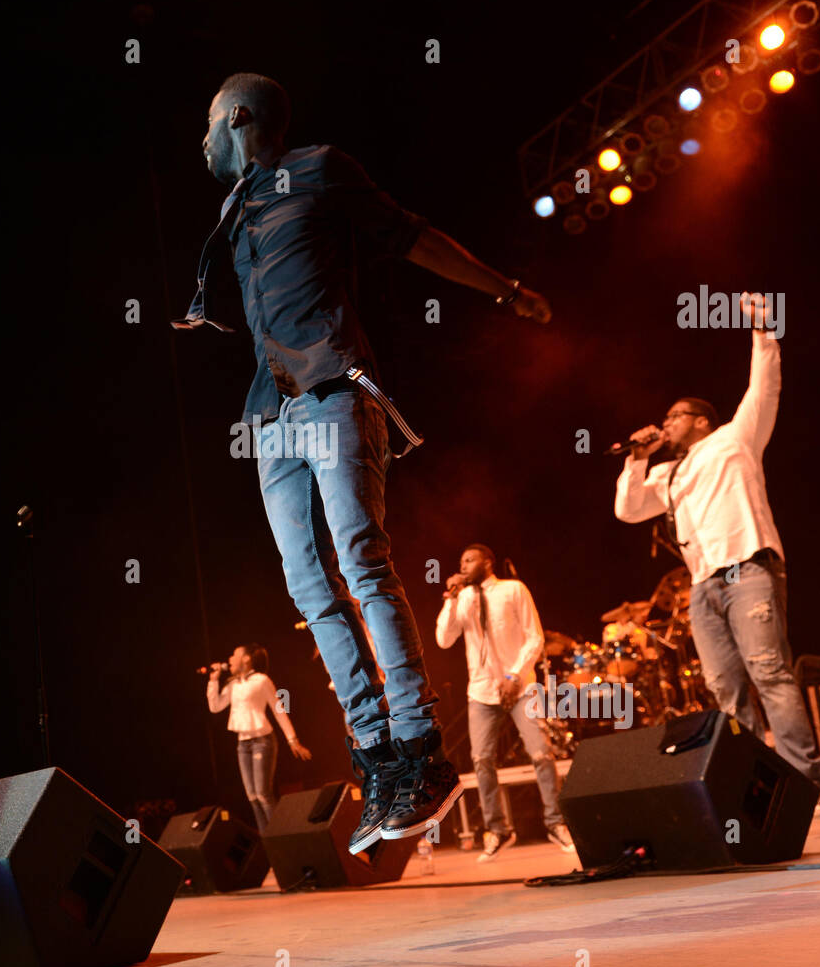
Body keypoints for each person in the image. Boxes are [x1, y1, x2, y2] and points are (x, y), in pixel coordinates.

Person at [174, 72, 552, 855]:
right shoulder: (231, 207)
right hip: (269, 415)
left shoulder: (320, 168)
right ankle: (377, 755)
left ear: (239, 118)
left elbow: (413, 237)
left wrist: (503, 288)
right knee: (307, 586)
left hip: (333, 390)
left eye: (208, 124)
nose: (199, 141)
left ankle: (421, 752)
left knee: (360, 559)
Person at [613, 293, 820, 793]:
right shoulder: (667, 473)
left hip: (748, 570)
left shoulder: (735, 438)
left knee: (770, 675)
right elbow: (627, 509)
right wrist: (636, 458)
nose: (665, 424)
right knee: (725, 691)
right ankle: (759, 787)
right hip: (703, 587)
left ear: (701, 420)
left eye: (674, 417)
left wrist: (763, 329)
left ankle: (808, 785)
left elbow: (765, 386)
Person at [436, 544, 575, 859]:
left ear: (487, 562)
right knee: (482, 760)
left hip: (520, 687)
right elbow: (443, 640)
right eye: (460, 562)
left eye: (469, 560)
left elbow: (535, 636)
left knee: (541, 753)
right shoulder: (464, 598)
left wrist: (515, 676)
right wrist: (450, 598)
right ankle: (497, 830)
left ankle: (556, 823)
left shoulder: (513, 589)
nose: (463, 565)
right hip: (481, 692)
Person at [206, 644, 312, 834]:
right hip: (242, 743)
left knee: (263, 794)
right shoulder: (233, 684)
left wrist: (292, 739)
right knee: (253, 796)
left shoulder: (261, 680)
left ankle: (280, 837)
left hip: (262, 741)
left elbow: (279, 710)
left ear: (246, 659)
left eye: (234, 655)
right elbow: (215, 706)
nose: (230, 659)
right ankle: (268, 844)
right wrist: (213, 682)